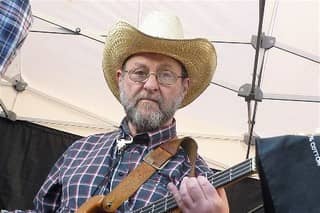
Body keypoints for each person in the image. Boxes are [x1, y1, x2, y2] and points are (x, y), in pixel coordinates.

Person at [33, 11, 229, 212]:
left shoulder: (197, 177)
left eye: (166, 75)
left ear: (184, 87)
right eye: (139, 73)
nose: (151, 85)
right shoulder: (79, 151)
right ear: (120, 78)